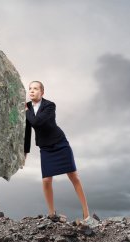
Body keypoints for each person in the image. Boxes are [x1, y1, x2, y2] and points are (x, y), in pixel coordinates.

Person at [24, 81, 91, 221]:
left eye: (35, 89)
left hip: (60, 144)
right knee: (46, 180)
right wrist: (25, 151)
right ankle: (51, 214)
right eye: (30, 89)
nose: (31, 91)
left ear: (42, 92)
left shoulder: (49, 105)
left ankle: (86, 213)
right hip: (45, 148)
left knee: (74, 177)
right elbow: (28, 131)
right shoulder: (28, 106)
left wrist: (26, 112)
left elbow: (37, 122)